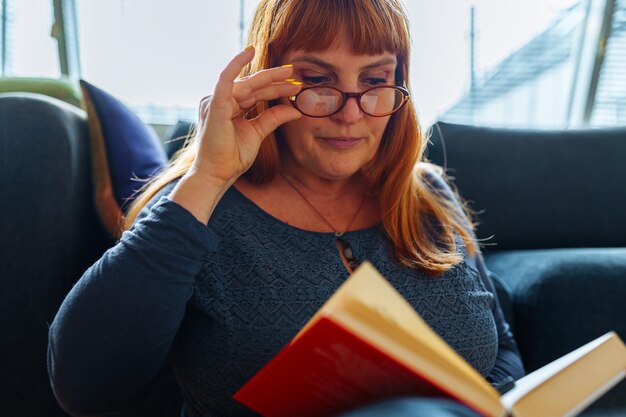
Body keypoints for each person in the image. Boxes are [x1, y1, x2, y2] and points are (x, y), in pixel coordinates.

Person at [47, 1, 525, 416]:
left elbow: (501, 350)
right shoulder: (197, 205)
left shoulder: (428, 196)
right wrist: (208, 178)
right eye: (319, 80)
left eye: (375, 79)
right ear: (267, 83)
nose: (351, 112)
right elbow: (86, 387)